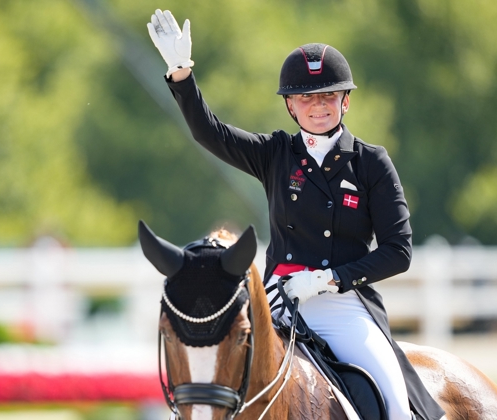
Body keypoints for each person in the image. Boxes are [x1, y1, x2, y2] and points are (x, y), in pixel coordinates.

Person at [147, 9, 445, 420]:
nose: (317, 106)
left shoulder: (371, 163)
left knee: (394, 404)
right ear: (290, 104)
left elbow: (399, 251)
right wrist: (181, 73)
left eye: (327, 96)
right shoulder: (276, 154)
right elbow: (209, 132)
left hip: (344, 305)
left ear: (345, 100)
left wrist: (327, 279)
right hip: (278, 302)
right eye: (306, 97)